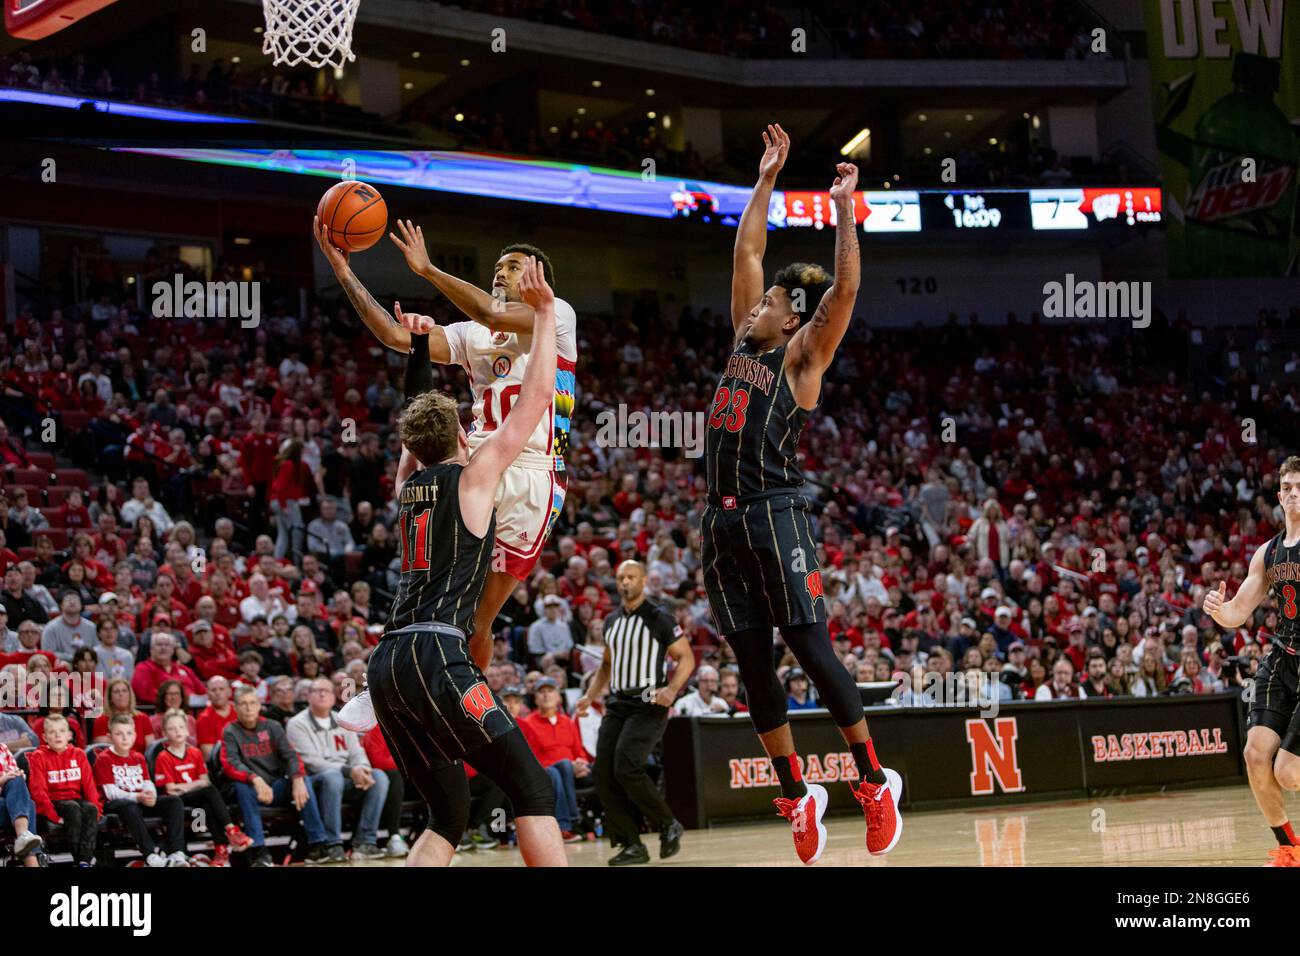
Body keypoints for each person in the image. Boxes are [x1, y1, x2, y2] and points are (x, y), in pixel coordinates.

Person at [700, 125, 898, 864]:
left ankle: (874, 782)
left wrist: (845, 209)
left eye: (775, 299)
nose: (757, 303)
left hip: (775, 513)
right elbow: (746, 250)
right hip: (718, 527)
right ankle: (796, 794)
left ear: (794, 316)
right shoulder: (741, 343)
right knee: (753, 667)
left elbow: (843, 290)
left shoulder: (800, 360)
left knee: (810, 651)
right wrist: (765, 179)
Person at [322, 216, 578, 734]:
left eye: (515, 267)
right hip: (480, 457)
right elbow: (396, 336)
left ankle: (461, 705)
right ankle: (384, 682)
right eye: (499, 267)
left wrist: (428, 269)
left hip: (535, 472)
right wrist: (344, 271)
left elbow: (489, 307)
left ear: (540, 281)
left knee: (480, 615)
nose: (502, 274)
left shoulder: (558, 316)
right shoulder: (473, 332)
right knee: (431, 573)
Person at [357, 256, 566, 867]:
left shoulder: (408, 485)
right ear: (461, 439)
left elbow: (415, 409)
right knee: (532, 788)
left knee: (447, 815)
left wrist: (349, 271)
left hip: (387, 664)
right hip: (435, 658)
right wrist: (547, 313)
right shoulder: (475, 481)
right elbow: (533, 403)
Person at [1203, 456, 1300, 866]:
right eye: (1289, 487)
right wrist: (1218, 610)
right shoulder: (1269, 552)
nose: (1295, 493)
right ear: (1279, 496)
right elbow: (1239, 611)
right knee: (1255, 755)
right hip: (1284, 657)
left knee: (1289, 773)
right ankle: (1290, 848)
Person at [576, 560, 690, 865]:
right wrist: (588, 696)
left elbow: (687, 658)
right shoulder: (611, 620)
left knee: (627, 766)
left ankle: (668, 824)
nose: (625, 582)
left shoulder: (659, 617)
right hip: (618, 703)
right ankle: (631, 844)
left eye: (631, 577)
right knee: (602, 773)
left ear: (642, 581)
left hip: (649, 703)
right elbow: (606, 665)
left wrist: (672, 690)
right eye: (620, 577)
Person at [220, 685, 331, 867]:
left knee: (303, 780)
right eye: (243, 704)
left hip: (275, 788)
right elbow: (230, 764)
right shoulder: (230, 731)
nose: (248, 708)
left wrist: (296, 778)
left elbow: (291, 755)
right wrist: (254, 778)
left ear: (259, 705)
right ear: (235, 707)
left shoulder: (272, 726)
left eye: (252, 703)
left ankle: (317, 843)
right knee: (241, 787)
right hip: (250, 790)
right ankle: (259, 850)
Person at [285, 677, 389, 860]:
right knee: (332, 777)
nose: (323, 694)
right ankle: (332, 844)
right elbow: (311, 761)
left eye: (326, 690)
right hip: (314, 781)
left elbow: (357, 751)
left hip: (345, 777)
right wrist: (349, 771)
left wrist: (362, 768)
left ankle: (365, 843)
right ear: (308, 697)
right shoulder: (296, 723)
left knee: (379, 777)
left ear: (334, 696)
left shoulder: (341, 719)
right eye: (317, 691)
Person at [153, 710, 252, 866]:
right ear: (165, 733)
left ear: (187, 730)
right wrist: (195, 785)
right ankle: (232, 831)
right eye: (172, 728)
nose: (178, 731)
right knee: (210, 791)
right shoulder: (163, 757)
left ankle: (221, 852)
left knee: (208, 804)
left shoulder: (195, 752)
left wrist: (186, 786)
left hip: (197, 798)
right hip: (177, 802)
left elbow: (205, 780)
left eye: (180, 727)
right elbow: (171, 789)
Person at [93, 713, 188, 866]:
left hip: (139, 800)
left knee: (173, 801)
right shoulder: (104, 758)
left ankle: (177, 852)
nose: (125, 738)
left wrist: (151, 795)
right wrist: (138, 797)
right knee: (129, 806)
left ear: (135, 735)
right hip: (114, 804)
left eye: (129, 733)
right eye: (119, 734)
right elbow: (111, 792)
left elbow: (147, 782)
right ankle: (150, 856)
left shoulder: (138, 757)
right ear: (110, 736)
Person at [518, 676, 591, 843]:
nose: (546, 695)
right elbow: (530, 758)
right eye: (541, 692)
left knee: (600, 770)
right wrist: (569, 765)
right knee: (560, 769)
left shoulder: (568, 722)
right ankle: (569, 823)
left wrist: (581, 763)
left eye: (550, 691)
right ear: (535, 699)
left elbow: (579, 751)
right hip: (545, 772)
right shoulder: (528, 723)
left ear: (558, 697)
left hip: (572, 771)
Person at [27, 714, 100, 866]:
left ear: (69, 735)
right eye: (52, 732)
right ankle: (79, 859)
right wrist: (53, 816)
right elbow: (38, 792)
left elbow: (89, 786)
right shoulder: (38, 756)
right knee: (73, 808)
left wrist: (96, 810)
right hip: (54, 802)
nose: (57, 735)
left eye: (61, 731)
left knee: (91, 809)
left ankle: (84, 861)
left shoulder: (79, 754)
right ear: (45, 737)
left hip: (76, 800)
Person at [0, 740, 43, 865]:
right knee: (28, 805)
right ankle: (31, 858)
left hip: (8, 802)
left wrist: (18, 775)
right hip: (7, 805)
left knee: (17, 780)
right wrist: (3, 780)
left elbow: (15, 781)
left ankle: (23, 837)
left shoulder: (2, 748)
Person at [196, 675, 237, 758]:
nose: (217, 693)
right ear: (207, 694)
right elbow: (209, 756)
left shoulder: (240, 712)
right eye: (213, 690)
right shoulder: (204, 719)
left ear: (229, 692)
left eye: (221, 689)